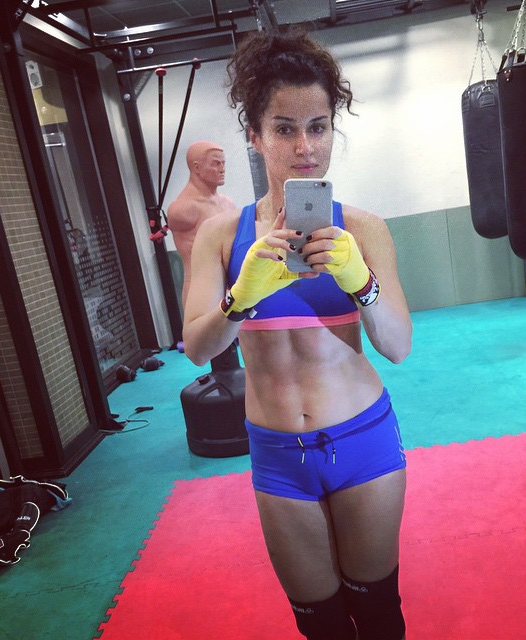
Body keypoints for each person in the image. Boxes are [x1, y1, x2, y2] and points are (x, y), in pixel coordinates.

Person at [182, 28, 412, 640]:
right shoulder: (222, 236)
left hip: (362, 440)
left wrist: (361, 282)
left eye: (318, 126)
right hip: (278, 456)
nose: (305, 147)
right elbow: (197, 348)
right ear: (255, 135)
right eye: (284, 128)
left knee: (378, 615)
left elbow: (397, 346)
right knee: (322, 626)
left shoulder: (363, 228)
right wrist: (241, 297)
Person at [167, 141, 237, 305]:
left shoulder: (228, 203)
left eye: (223, 163)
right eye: (216, 163)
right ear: (197, 168)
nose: (222, 169)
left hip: (234, 289)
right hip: (202, 292)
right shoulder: (183, 209)